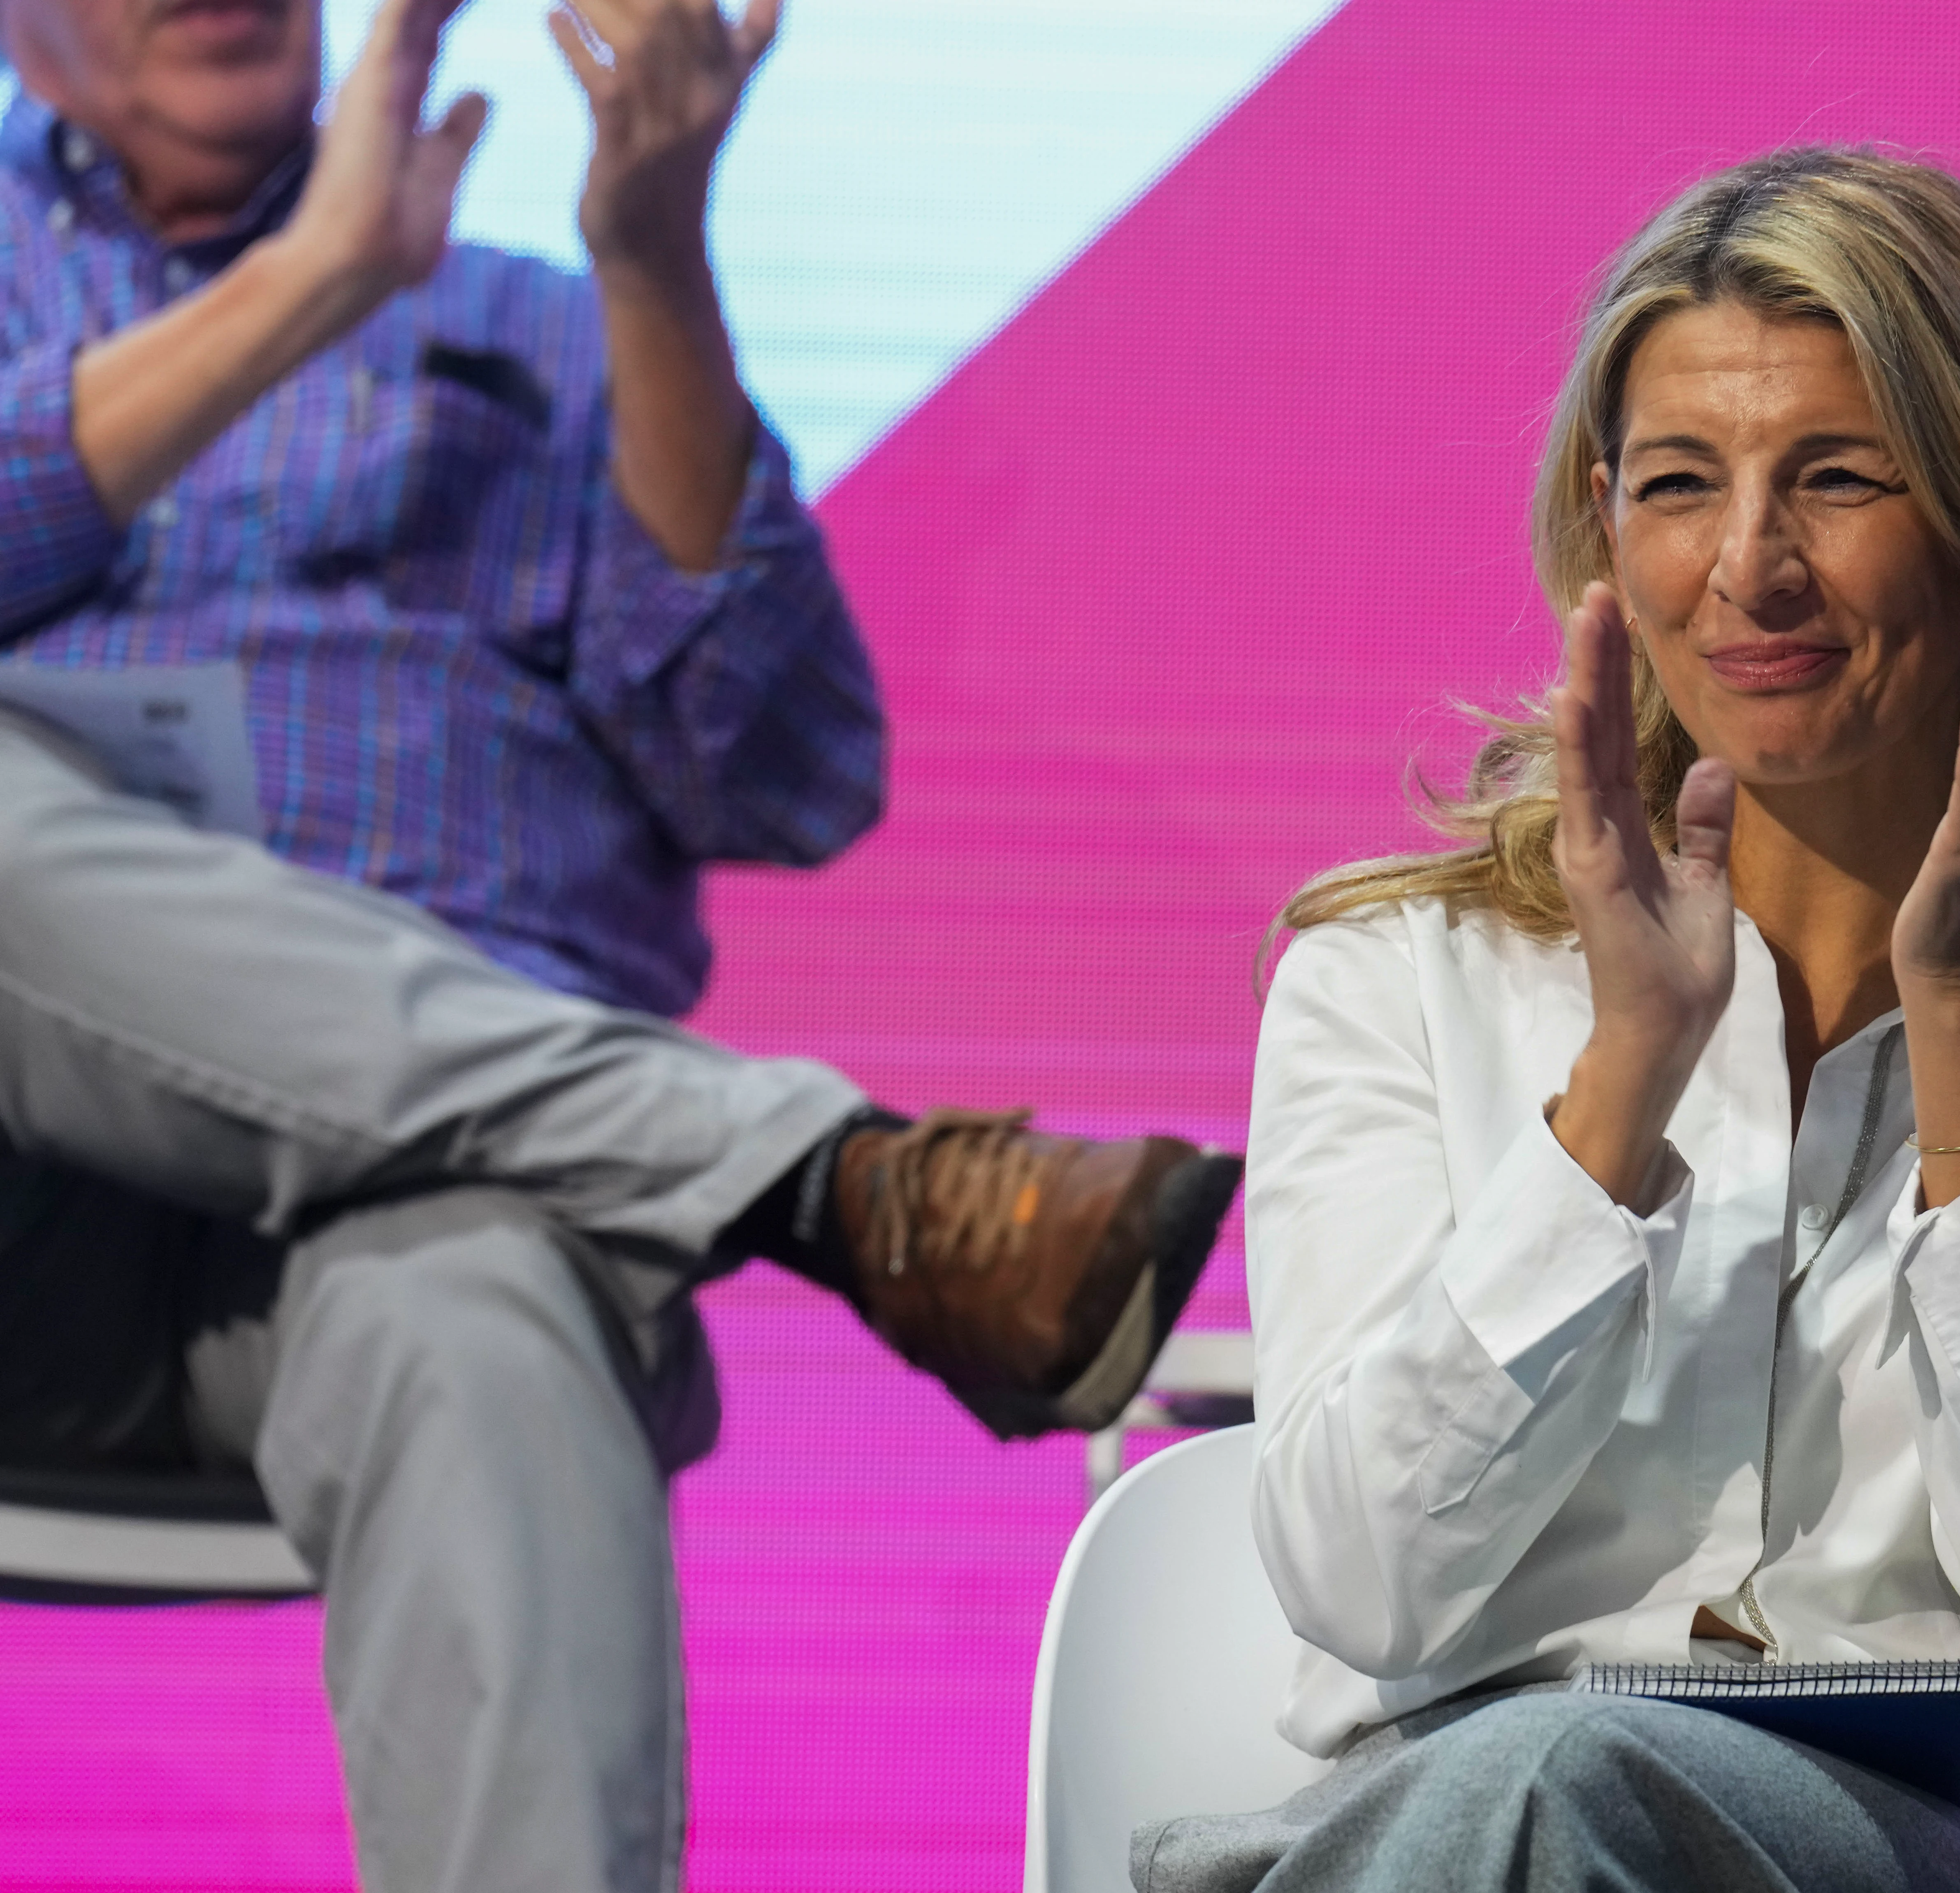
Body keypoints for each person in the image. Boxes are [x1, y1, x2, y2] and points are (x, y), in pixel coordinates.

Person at [0, 1, 1239, 1887]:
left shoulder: (548, 338)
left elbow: (785, 766)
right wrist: (323, 279)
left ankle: (749, 1168)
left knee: (484, 1291)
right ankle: (817, 1177)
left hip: (415, 1205)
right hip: (29, 1219)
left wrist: (653, 259)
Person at [1136, 149, 1960, 1893]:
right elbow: (1363, 1581)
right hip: (1458, 1834)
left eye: (1835, 479)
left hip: (1959, 1854)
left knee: (1553, 1787)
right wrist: (1621, 1086)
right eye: (1680, 485)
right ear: (1606, 526)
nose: (1747, 568)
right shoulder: (1390, 983)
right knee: (1533, 1789)